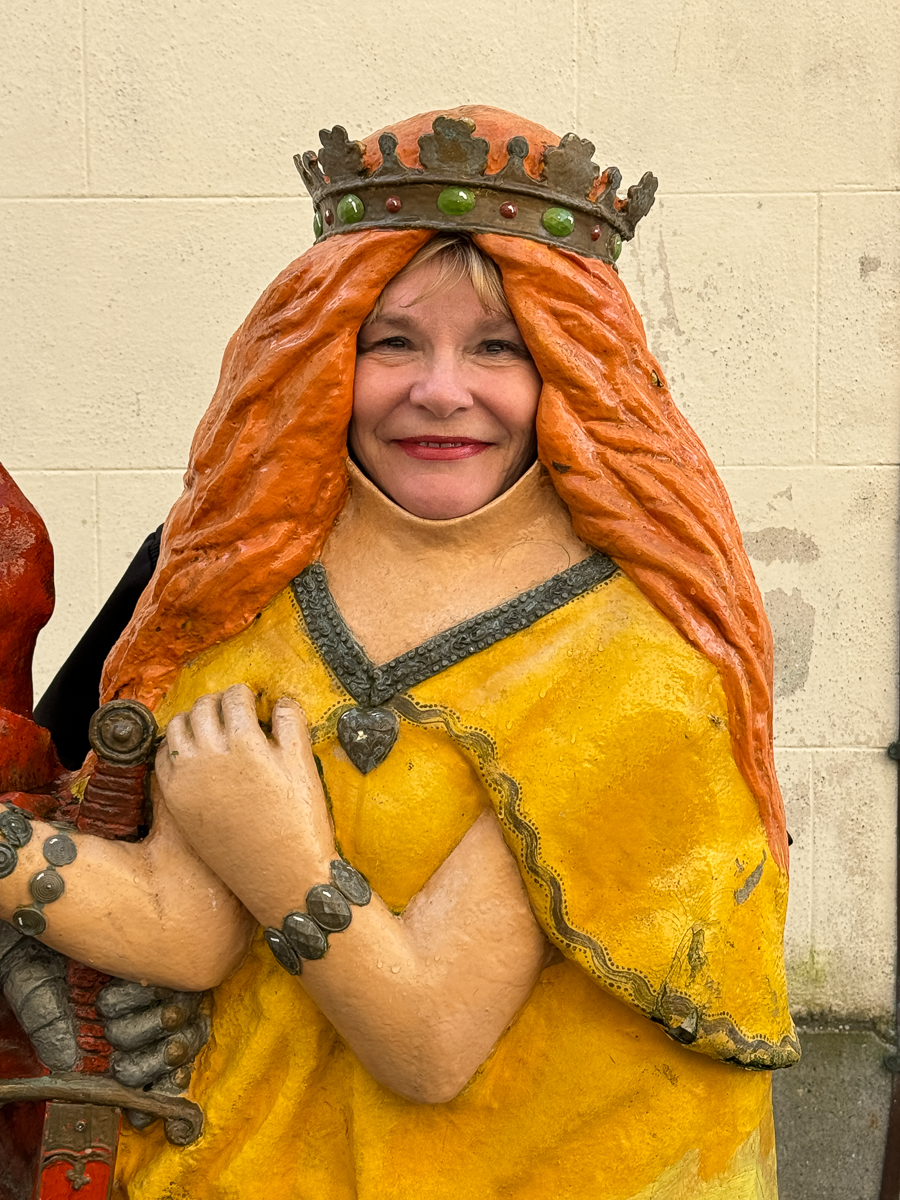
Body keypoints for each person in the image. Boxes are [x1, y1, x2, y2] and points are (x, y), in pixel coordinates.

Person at [1, 106, 797, 1198]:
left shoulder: (640, 665)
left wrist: (280, 853)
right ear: (324, 360)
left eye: (497, 348)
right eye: (393, 343)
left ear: (571, 374)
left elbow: (428, 1045)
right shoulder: (250, 595)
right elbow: (187, 930)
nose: (440, 389)